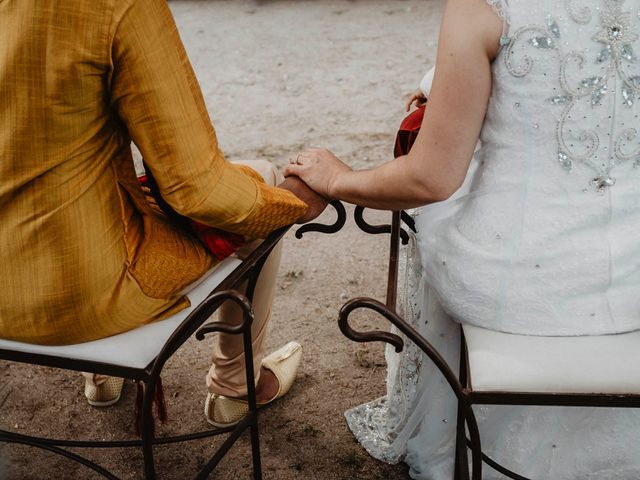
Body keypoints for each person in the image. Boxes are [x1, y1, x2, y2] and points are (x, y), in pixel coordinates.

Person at [285, 0, 640, 478]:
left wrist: (337, 180)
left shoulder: (483, 6)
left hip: (522, 283)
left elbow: (431, 180)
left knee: (437, 222)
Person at [0, 0, 326, 426]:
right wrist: (291, 202)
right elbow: (198, 189)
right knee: (259, 179)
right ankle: (237, 387)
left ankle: (101, 376)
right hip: (84, 296)